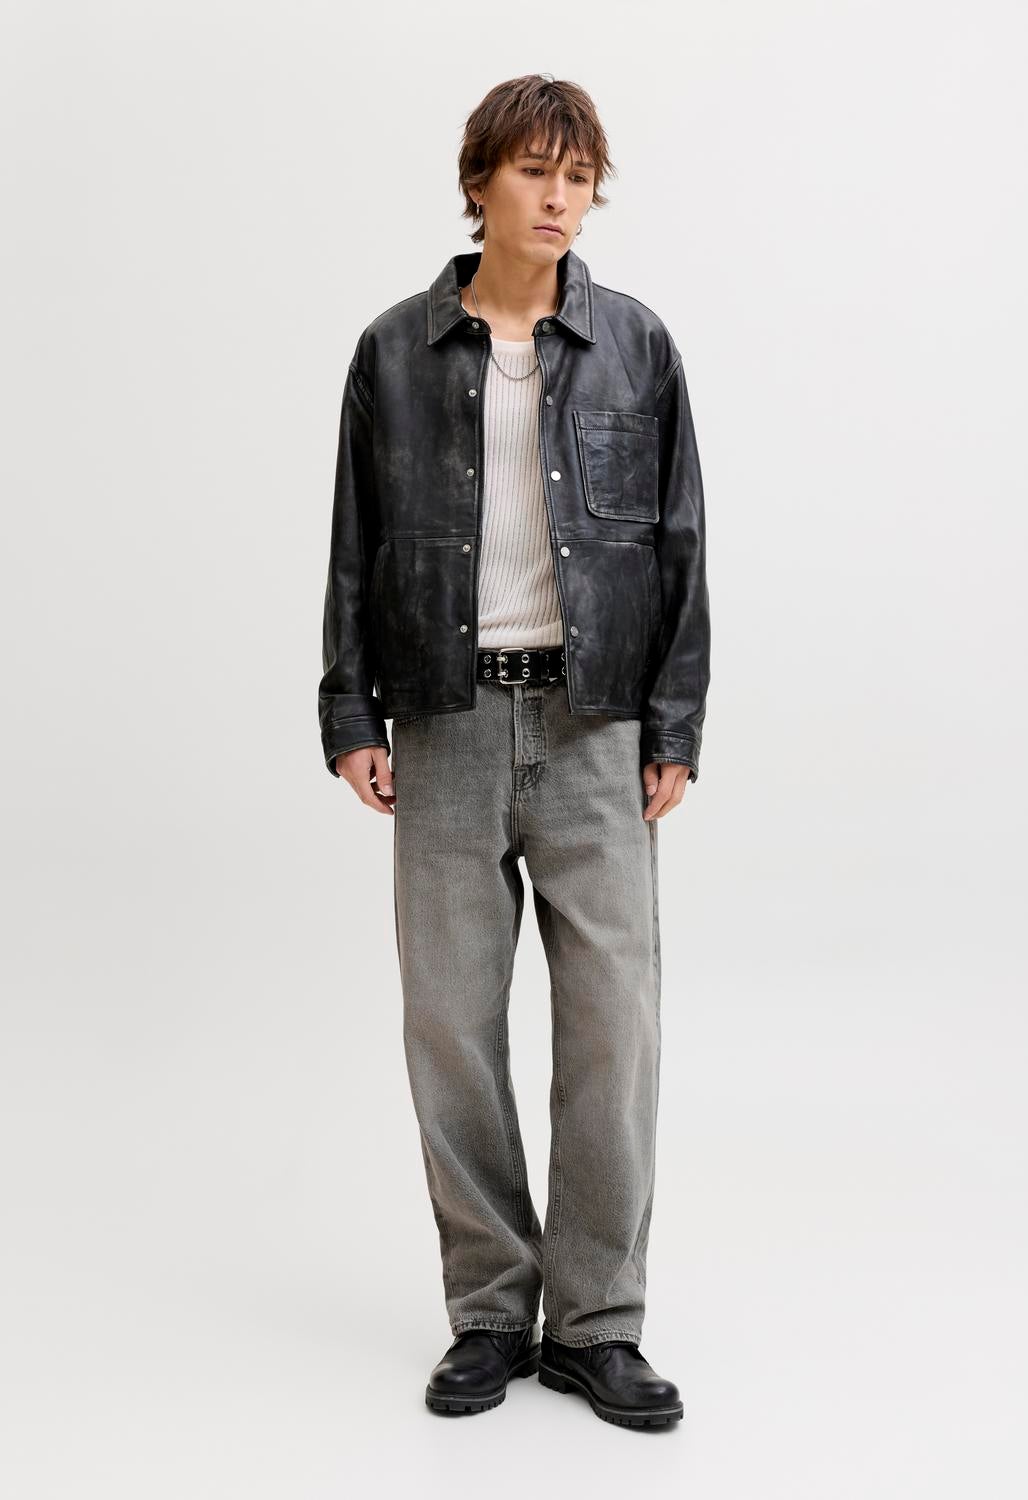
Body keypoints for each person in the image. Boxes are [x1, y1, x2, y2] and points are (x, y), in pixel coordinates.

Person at [317, 73, 710, 1429]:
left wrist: (674, 724)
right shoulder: (392, 351)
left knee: (614, 1030)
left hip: (597, 729)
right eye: (535, 170)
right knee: (450, 1027)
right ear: (479, 179)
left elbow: (680, 542)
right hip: (443, 721)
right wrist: (350, 712)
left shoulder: (637, 346)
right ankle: (490, 1310)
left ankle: (596, 1324)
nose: (558, 197)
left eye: (578, 175)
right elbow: (356, 542)